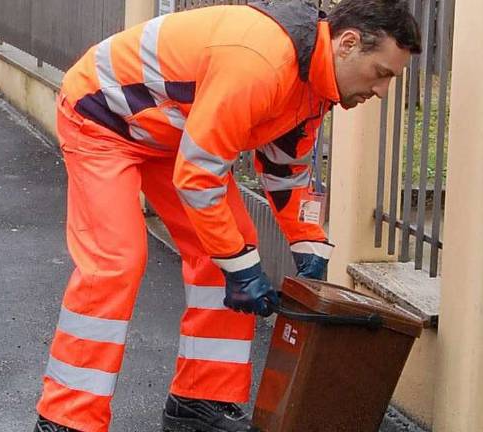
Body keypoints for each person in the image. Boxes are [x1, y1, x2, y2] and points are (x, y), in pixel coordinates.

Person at [34, 0, 420, 431]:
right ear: (348, 43)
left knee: (225, 258)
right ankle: (66, 418)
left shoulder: (315, 83)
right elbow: (198, 177)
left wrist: (308, 242)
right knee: (116, 263)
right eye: (382, 73)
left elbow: (285, 170)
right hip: (102, 117)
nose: (383, 91)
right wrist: (242, 265)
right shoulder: (261, 62)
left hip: (173, 133)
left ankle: (200, 405)